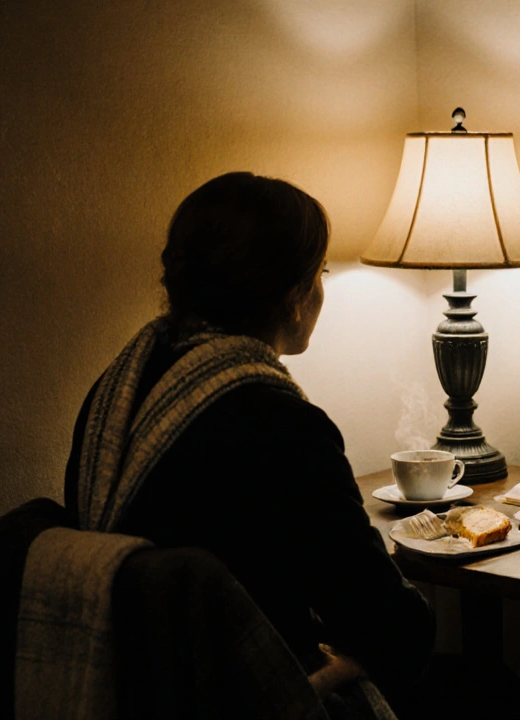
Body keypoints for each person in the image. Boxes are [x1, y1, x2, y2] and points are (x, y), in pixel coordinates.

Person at [62, 172, 435, 711]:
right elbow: (391, 625)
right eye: (321, 272)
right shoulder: (283, 427)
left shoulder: (114, 394)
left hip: (136, 690)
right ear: (294, 295)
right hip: (257, 691)